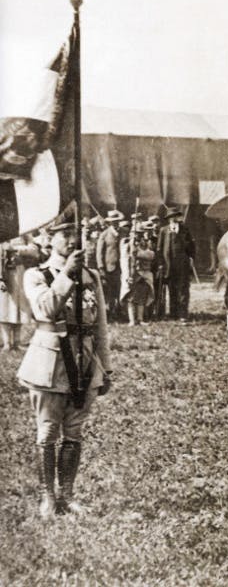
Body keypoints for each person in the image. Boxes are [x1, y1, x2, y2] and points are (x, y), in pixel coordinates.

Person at [17, 215, 112, 519]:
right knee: (47, 433)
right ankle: (47, 497)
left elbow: (100, 327)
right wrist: (66, 274)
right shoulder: (36, 275)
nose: (72, 240)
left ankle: (66, 495)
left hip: (84, 362)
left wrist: (105, 367)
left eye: (77, 233)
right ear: (49, 238)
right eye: (65, 234)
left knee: (74, 432)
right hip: (50, 363)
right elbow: (44, 308)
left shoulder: (91, 277)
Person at [157, 207, 195, 323]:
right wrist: (161, 264)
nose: (173, 219)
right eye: (171, 217)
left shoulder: (184, 229)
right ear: (168, 219)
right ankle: (173, 314)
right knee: (172, 289)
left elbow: (192, 247)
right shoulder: (163, 231)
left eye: (175, 217)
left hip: (182, 265)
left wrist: (191, 259)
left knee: (183, 289)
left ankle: (183, 314)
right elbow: (159, 249)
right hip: (169, 265)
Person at [0, 237, 40, 350]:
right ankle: (7, 342)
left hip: (19, 273)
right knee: (3, 306)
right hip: (2, 272)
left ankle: (17, 341)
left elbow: (34, 250)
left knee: (18, 306)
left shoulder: (24, 233)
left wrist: (16, 248)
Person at [120, 224, 156, 326]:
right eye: (135, 233)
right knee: (130, 297)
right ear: (131, 233)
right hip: (131, 274)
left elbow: (151, 255)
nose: (138, 236)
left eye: (140, 233)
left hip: (144, 274)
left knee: (142, 297)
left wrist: (139, 253)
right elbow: (124, 261)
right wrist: (128, 276)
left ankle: (140, 319)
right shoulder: (126, 244)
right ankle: (131, 320)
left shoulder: (146, 243)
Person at [95, 210, 125, 320]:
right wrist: (101, 267)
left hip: (122, 266)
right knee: (110, 291)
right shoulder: (104, 235)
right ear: (110, 223)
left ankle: (120, 311)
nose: (115, 223)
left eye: (117, 221)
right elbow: (99, 253)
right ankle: (110, 313)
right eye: (113, 222)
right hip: (109, 267)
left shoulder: (124, 232)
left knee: (120, 290)